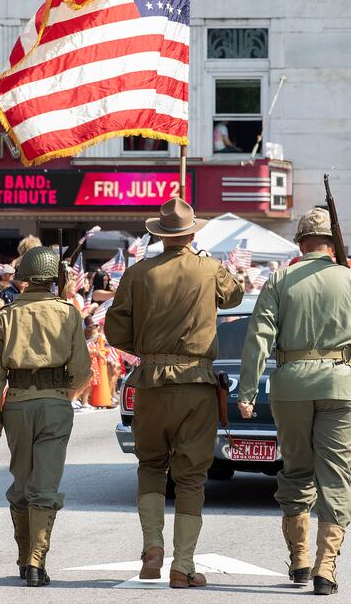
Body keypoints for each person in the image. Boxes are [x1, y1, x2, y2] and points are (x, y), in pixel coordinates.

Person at [237, 208, 351, 595]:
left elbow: (258, 338)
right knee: (336, 474)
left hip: (291, 387)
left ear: (301, 242)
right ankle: (326, 568)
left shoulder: (279, 279)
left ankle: (300, 559)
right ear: (332, 243)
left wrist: (248, 393)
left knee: (296, 471)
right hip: (343, 386)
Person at [105, 198, 243, 588]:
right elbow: (233, 297)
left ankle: (152, 546)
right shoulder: (208, 268)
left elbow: (114, 331)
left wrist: (148, 349)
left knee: (150, 466)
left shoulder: (138, 273)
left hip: (150, 382)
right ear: (192, 233)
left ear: (159, 235)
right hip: (196, 386)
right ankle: (183, 565)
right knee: (191, 478)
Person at [0, 246, 91, 587]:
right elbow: (82, 368)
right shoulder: (68, 312)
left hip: (16, 403)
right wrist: (67, 389)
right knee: (45, 482)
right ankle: (35, 561)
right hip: (55, 402)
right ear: (53, 278)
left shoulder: (7, 314)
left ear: (26, 278)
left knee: (22, 481)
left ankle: (23, 557)